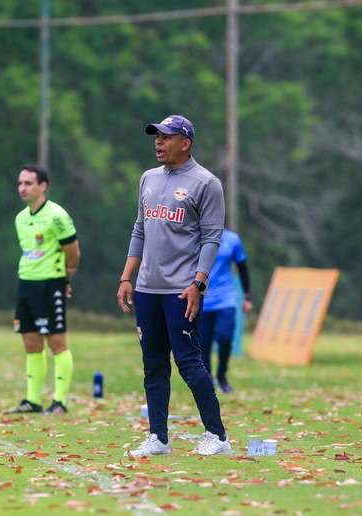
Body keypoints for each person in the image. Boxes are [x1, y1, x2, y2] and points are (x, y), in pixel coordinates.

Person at [117, 114, 231, 457]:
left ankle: (217, 436)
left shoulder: (206, 183)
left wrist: (199, 283)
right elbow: (139, 230)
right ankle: (158, 437)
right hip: (147, 289)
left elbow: (212, 238)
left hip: (181, 290)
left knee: (189, 363)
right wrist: (126, 277)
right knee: (153, 365)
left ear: (185, 143)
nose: (158, 141)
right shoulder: (148, 178)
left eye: (166, 137)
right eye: (157, 136)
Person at [9, 165, 80, 415]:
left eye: (28, 183)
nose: (22, 188)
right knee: (31, 343)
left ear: (43, 186)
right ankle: (32, 400)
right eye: (20, 183)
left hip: (50, 284)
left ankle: (60, 401)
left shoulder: (57, 215)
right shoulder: (20, 218)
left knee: (57, 342)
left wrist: (65, 279)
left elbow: (73, 252)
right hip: (26, 282)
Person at [200, 229, 253, 394]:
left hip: (226, 298)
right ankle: (208, 380)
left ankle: (222, 375)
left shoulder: (232, 239)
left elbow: (243, 268)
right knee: (204, 343)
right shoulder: (194, 236)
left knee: (225, 337)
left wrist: (247, 296)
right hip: (202, 298)